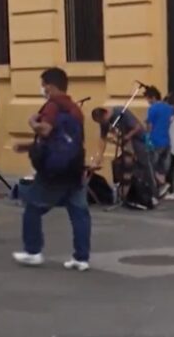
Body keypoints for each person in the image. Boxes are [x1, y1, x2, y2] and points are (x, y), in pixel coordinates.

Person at [12, 67, 92, 271]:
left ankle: (33, 251)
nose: (42, 89)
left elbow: (46, 130)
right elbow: (66, 140)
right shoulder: (75, 109)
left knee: (33, 207)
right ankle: (81, 258)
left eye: (43, 85)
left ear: (50, 86)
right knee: (79, 213)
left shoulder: (52, 106)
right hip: (74, 166)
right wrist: (28, 147)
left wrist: (32, 122)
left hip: (54, 170)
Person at [90, 104, 157, 203]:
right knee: (127, 166)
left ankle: (152, 193)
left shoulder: (120, 112)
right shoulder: (104, 121)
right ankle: (131, 193)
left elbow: (137, 127)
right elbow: (103, 138)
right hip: (127, 143)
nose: (103, 123)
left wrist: (127, 136)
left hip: (139, 140)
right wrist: (99, 155)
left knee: (144, 165)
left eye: (102, 121)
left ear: (105, 114)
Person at [144, 85, 174, 198]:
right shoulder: (168, 108)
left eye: (148, 99)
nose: (148, 102)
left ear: (153, 97)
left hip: (155, 141)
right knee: (162, 169)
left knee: (151, 167)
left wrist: (147, 139)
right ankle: (163, 189)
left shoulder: (152, 109)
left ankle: (161, 187)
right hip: (166, 142)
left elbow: (149, 126)